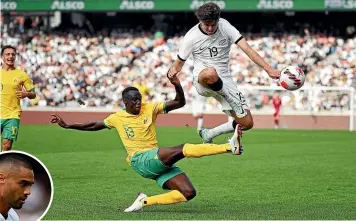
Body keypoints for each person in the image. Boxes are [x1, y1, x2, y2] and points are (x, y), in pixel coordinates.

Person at [50, 74, 242, 212]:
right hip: (140, 160)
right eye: (134, 101)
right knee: (181, 149)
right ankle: (228, 147)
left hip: (155, 160)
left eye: (139, 100)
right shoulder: (117, 117)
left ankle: (144, 202)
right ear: (125, 102)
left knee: (188, 193)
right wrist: (68, 126)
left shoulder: (150, 108)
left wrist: (177, 84)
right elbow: (94, 125)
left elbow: (179, 102)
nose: (138, 103)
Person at [167, 2, 280, 145]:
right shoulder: (191, 37)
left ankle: (209, 133)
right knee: (210, 73)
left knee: (247, 123)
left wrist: (268, 69)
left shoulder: (225, 27)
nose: (209, 28)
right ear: (199, 21)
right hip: (202, 79)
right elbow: (177, 66)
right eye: (205, 24)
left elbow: (248, 50)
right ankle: (230, 99)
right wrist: (172, 74)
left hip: (225, 80)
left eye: (212, 24)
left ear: (218, 20)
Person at [0, 45, 36, 151]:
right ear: (2, 57)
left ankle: (3, 167)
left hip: (13, 115)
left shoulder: (22, 74)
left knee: (7, 145)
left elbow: (33, 94)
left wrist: (26, 94)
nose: (10, 56)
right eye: (7, 54)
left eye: (13, 54)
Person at [0, 153, 35, 221]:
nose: (28, 192)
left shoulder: (13, 216)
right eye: (23, 183)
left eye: (30, 185)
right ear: (1, 179)